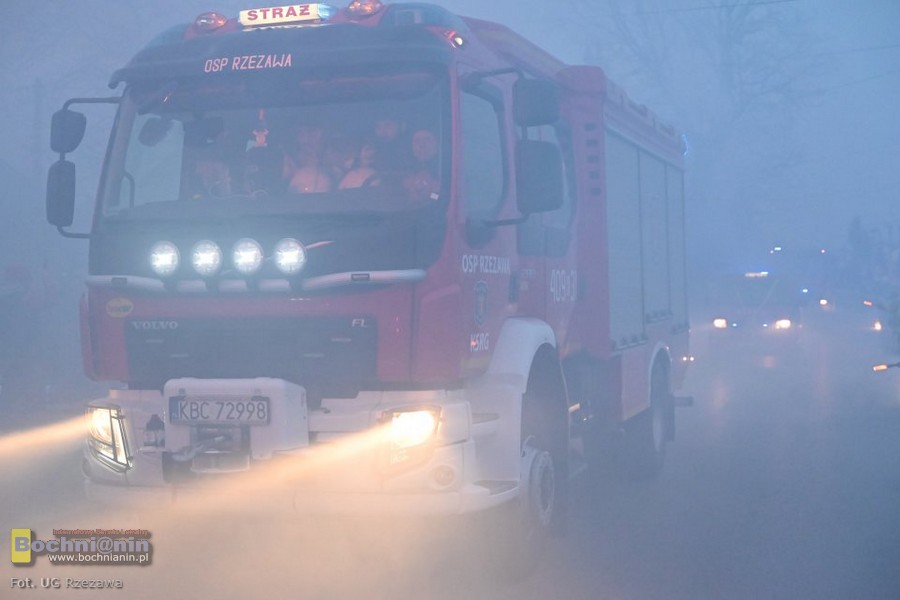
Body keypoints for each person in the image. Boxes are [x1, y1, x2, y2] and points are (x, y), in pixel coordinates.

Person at [284, 123, 333, 193]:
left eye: (312, 131)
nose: (306, 139)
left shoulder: (336, 165)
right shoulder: (287, 165)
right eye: (300, 133)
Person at [403, 128, 440, 200]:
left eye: (427, 140)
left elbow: (440, 198)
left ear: (437, 144)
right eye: (417, 141)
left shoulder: (445, 170)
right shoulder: (403, 171)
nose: (422, 145)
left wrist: (430, 194)